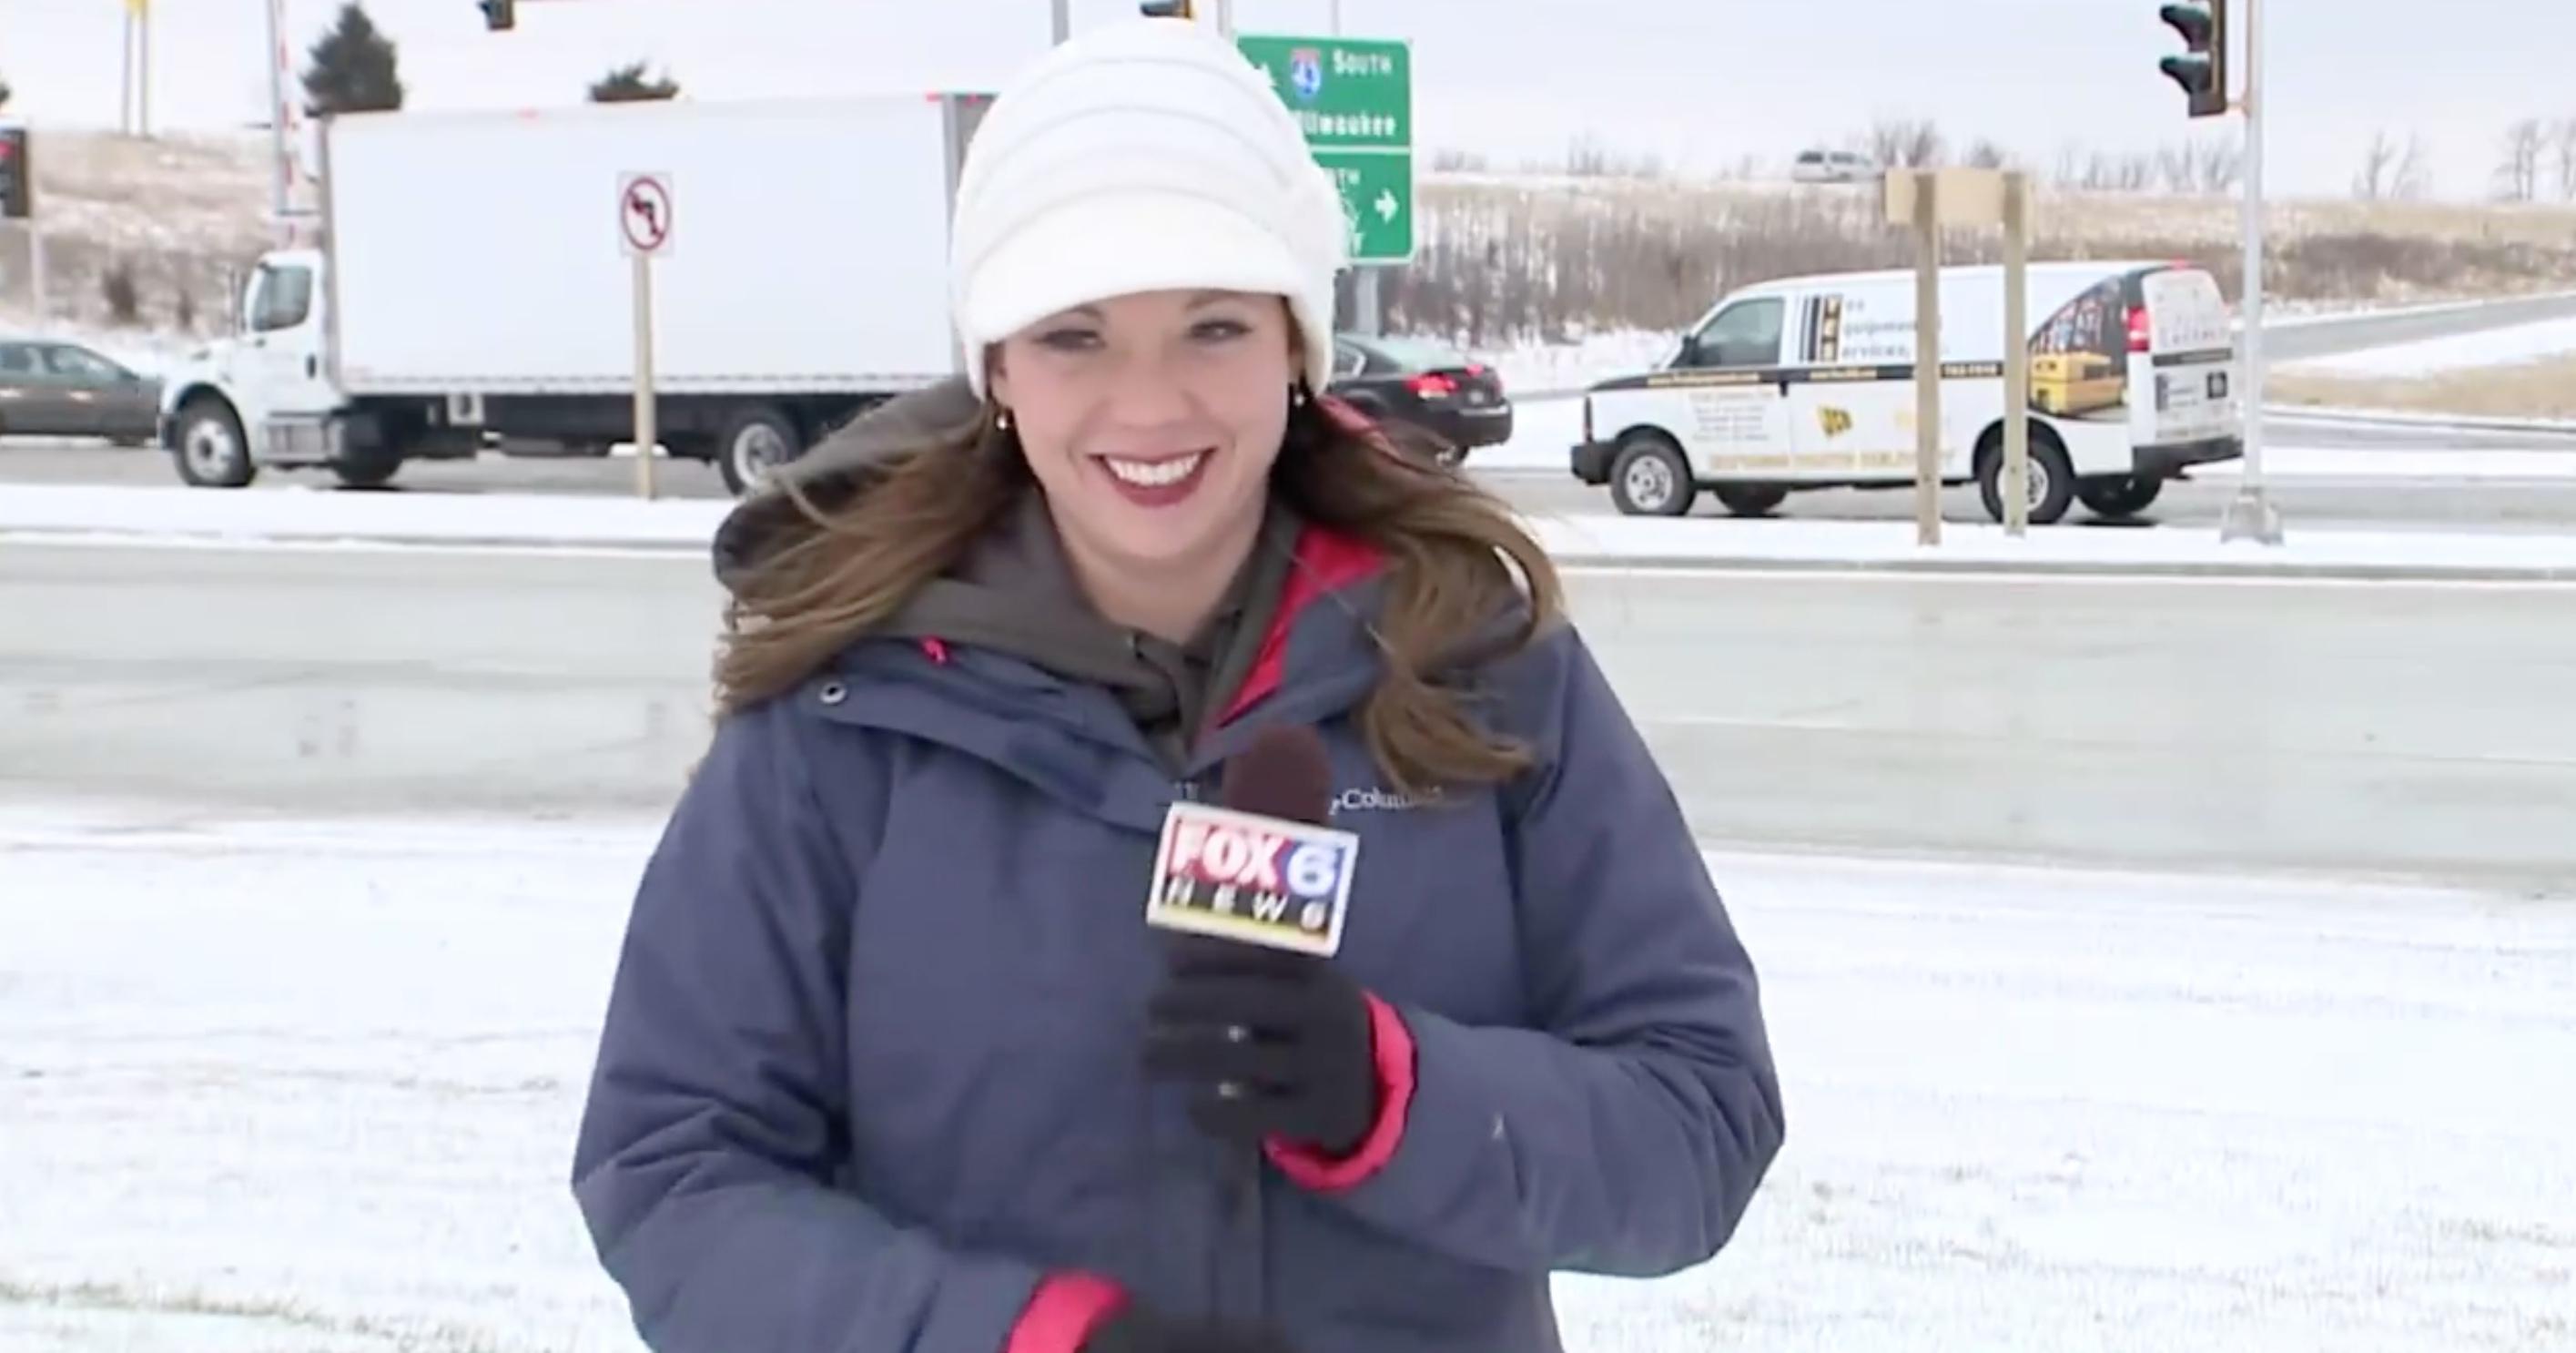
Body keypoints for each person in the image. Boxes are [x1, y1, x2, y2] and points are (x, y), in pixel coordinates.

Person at [570, 17, 1783, 1353]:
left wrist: (1395, 1094)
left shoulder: (1478, 662)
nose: (1147, 406)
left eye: (1211, 327)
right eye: (1076, 335)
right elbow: (676, 1174)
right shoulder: (844, 720)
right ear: (998, 372)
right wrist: (1023, 1339)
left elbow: (1701, 1116)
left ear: (1294, 351)